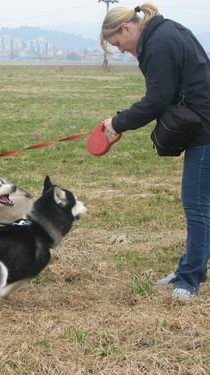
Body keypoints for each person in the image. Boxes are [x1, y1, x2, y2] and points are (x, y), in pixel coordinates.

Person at [99, 3, 210, 301]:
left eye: (117, 43)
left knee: (197, 206)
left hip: (206, 130)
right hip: (203, 123)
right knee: (199, 204)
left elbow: (157, 99)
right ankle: (190, 268)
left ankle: (189, 280)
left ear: (127, 28)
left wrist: (117, 122)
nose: (121, 50)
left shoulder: (160, 43)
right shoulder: (164, 33)